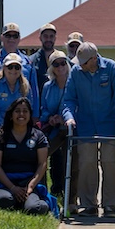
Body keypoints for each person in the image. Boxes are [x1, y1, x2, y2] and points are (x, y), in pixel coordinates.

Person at [62, 42, 115, 216]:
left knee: (110, 163)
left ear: (94, 59)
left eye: (84, 61)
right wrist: (69, 118)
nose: (81, 65)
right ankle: (89, 205)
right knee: (87, 163)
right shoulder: (76, 72)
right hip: (85, 125)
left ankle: (111, 205)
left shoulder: (111, 68)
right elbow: (69, 99)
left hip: (109, 124)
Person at [0, 97, 52, 214]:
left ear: (30, 115)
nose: (21, 114)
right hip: (5, 183)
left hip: (28, 183)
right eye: (17, 111)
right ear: (11, 115)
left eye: (25, 111)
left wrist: (31, 187)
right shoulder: (1, 136)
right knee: (3, 201)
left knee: (33, 209)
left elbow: (42, 164)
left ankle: (35, 202)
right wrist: (13, 188)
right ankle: (17, 200)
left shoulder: (38, 136)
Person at [0, 23, 39, 109]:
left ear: (19, 38)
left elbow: (34, 90)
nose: (11, 39)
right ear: (2, 37)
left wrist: (35, 114)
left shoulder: (27, 62)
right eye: (8, 36)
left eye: (15, 36)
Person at [39, 50, 71, 197]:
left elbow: (79, 106)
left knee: (70, 162)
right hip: (54, 130)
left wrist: (64, 119)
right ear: (52, 67)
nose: (60, 67)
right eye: (56, 64)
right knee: (41, 156)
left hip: (71, 129)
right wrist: (51, 117)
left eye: (63, 63)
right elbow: (43, 109)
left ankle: (70, 196)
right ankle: (43, 191)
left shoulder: (74, 84)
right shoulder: (47, 86)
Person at [0, 53, 35, 119]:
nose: (13, 70)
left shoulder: (25, 86)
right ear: (4, 68)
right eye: (10, 67)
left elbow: (28, 108)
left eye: (17, 67)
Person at [31, 23, 58, 89]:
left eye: (51, 36)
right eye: (45, 36)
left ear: (55, 38)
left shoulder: (62, 60)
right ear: (40, 38)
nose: (48, 39)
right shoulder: (32, 60)